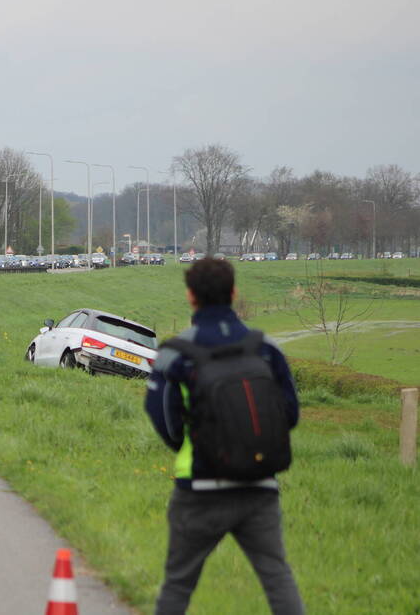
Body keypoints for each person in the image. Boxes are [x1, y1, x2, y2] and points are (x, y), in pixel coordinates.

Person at [145, 258, 303, 614]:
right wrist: (252, 446)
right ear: (233, 292)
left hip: (199, 489)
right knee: (277, 578)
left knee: (178, 585)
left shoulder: (175, 353)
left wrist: (193, 446)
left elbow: (163, 418)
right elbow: (289, 413)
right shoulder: (267, 348)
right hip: (260, 486)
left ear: (190, 296)